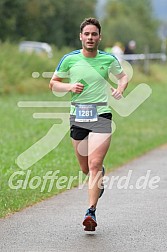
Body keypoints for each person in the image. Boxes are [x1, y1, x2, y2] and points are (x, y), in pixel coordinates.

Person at [49, 17, 128, 231]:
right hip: (78, 117)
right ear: (81, 37)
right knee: (86, 168)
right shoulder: (69, 59)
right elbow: (53, 84)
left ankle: (90, 212)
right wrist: (69, 87)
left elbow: (122, 77)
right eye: (87, 34)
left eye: (94, 34)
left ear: (99, 37)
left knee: (93, 165)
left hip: (102, 115)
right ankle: (97, 176)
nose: (90, 37)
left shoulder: (108, 59)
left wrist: (120, 90)